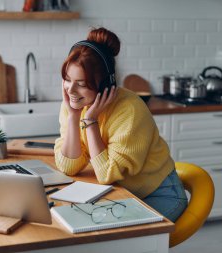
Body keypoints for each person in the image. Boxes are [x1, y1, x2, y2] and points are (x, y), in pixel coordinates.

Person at [54, 27, 187, 222]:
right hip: (124, 194)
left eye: (81, 84)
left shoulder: (130, 110)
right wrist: (74, 117)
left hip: (160, 195)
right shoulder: (74, 104)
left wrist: (90, 121)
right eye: (67, 79)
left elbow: (107, 173)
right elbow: (68, 166)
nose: (71, 90)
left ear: (105, 85)